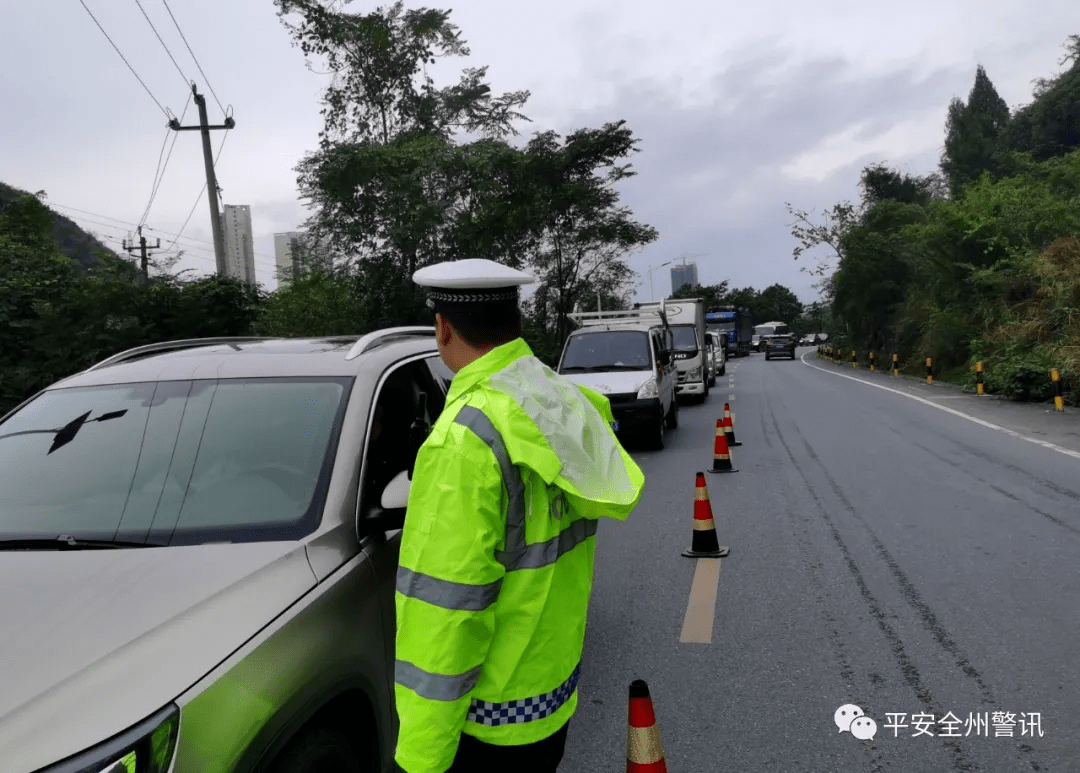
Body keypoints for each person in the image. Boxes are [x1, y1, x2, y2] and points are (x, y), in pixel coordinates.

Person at [393, 259, 645, 772]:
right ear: (516, 321)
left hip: (486, 724)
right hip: (549, 700)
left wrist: (420, 758)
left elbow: (445, 615)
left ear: (443, 328)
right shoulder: (564, 401)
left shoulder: (462, 441)